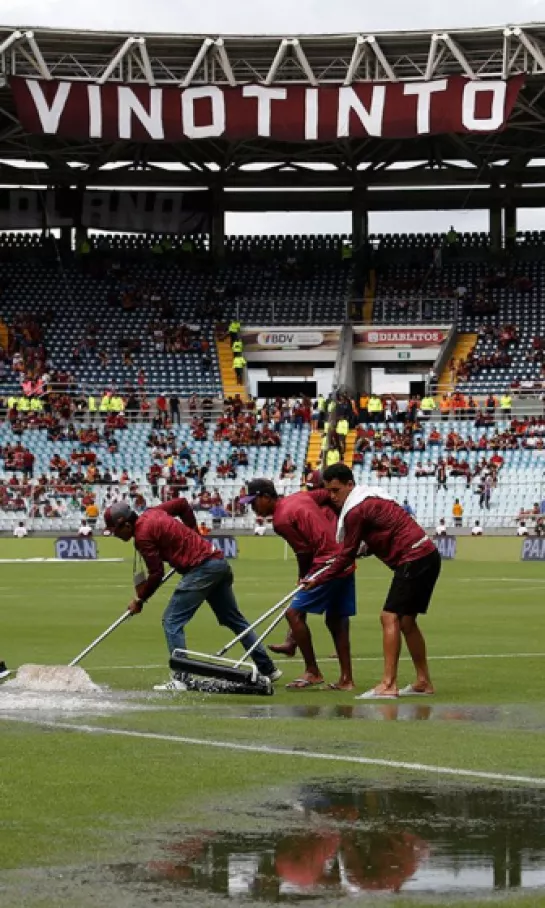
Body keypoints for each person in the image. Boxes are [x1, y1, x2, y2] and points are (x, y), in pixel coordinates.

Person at [104, 499, 280, 691]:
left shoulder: (143, 536)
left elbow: (156, 573)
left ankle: (181, 678)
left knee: (172, 620)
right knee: (233, 619)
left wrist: (140, 600)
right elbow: (182, 504)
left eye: (115, 531)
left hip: (201, 569)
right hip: (218, 563)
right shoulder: (154, 512)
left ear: (126, 524)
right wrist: (193, 533)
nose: (115, 535)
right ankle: (268, 669)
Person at [304, 464, 440, 701]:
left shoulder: (356, 510)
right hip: (426, 555)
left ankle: (388, 684)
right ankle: (423, 681)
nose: (333, 496)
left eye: (337, 490)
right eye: (329, 492)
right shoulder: (372, 497)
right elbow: (374, 538)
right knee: (406, 621)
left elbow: (346, 555)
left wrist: (317, 579)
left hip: (414, 558)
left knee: (389, 617)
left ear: (350, 485)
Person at [241, 478, 356, 691]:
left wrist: (303, 576)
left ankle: (312, 671)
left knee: (293, 613)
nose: (252, 507)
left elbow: (303, 552)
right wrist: (337, 523)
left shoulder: (280, 520)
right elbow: (327, 495)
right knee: (336, 620)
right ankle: (346, 679)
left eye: (254, 501)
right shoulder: (301, 496)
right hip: (343, 560)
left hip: (326, 562)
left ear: (266, 497)